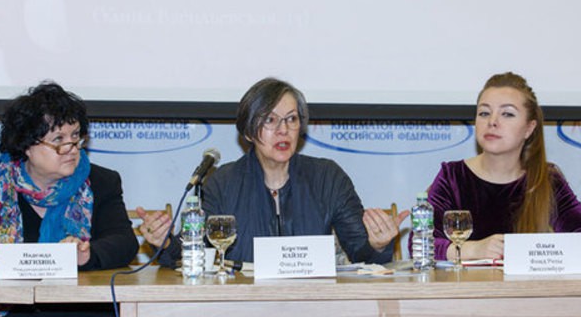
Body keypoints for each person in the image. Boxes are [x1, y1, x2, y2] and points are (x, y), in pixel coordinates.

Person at [137, 77, 409, 267]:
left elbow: (361, 254)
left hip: (313, 306)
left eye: (291, 119)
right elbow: (194, 255)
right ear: (247, 131)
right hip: (240, 309)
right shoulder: (222, 182)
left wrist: (377, 244)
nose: (283, 130)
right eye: (270, 120)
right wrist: (165, 243)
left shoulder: (328, 177)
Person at [0, 81, 138, 317]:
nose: (71, 149)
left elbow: (124, 242)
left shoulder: (101, 181)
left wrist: (87, 255)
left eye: (76, 137)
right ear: (27, 146)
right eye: (58, 140)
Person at [425, 72, 581, 262]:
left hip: (527, 291)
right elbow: (422, 244)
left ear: (529, 128)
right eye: (484, 113)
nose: (492, 122)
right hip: (466, 291)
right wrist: (473, 250)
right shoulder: (452, 176)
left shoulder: (547, 179)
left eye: (507, 114)